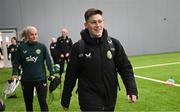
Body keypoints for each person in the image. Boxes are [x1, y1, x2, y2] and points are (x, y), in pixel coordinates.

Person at [61, 8, 138, 111]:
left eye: (100, 21)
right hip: (88, 99)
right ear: (86, 25)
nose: (98, 25)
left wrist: (131, 89)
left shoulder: (114, 44)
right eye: (93, 22)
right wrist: (65, 99)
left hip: (110, 98)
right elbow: (70, 75)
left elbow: (125, 68)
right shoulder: (78, 47)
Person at [11, 26, 55, 111]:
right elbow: (16, 63)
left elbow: (49, 61)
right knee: (28, 103)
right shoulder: (21, 48)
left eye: (36, 34)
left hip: (41, 79)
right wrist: (14, 73)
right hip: (26, 80)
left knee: (43, 102)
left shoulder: (42, 47)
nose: (34, 36)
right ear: (27, 35)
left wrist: (52, 74)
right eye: (32, 34)